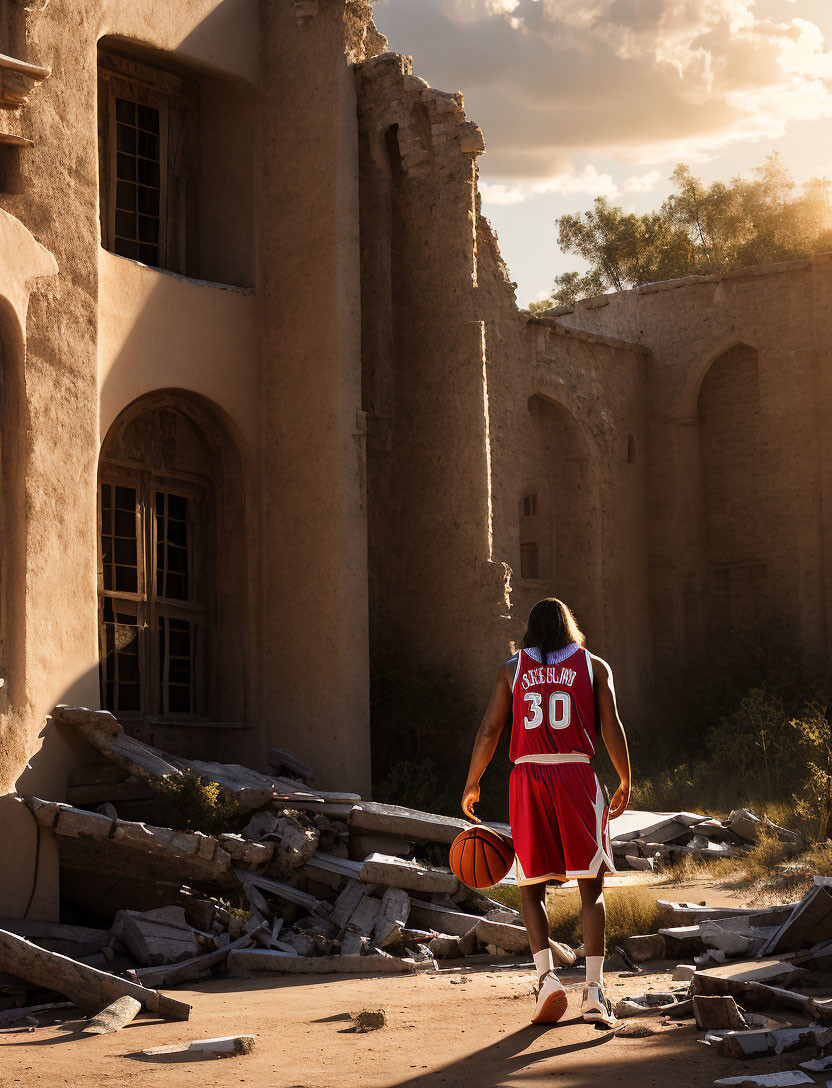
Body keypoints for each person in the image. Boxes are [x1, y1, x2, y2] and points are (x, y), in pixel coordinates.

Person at [461, 598, 631, 1025]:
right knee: (590, 887)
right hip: (576, 776)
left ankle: (547, 981)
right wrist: (626, 777)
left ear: (529, 631)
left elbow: (490, 729)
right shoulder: (594, 665)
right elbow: (611, 724)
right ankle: (593, 992)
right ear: (570, 626)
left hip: (528, 779)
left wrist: (471, 781)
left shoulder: (511, 668)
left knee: (531, 887)